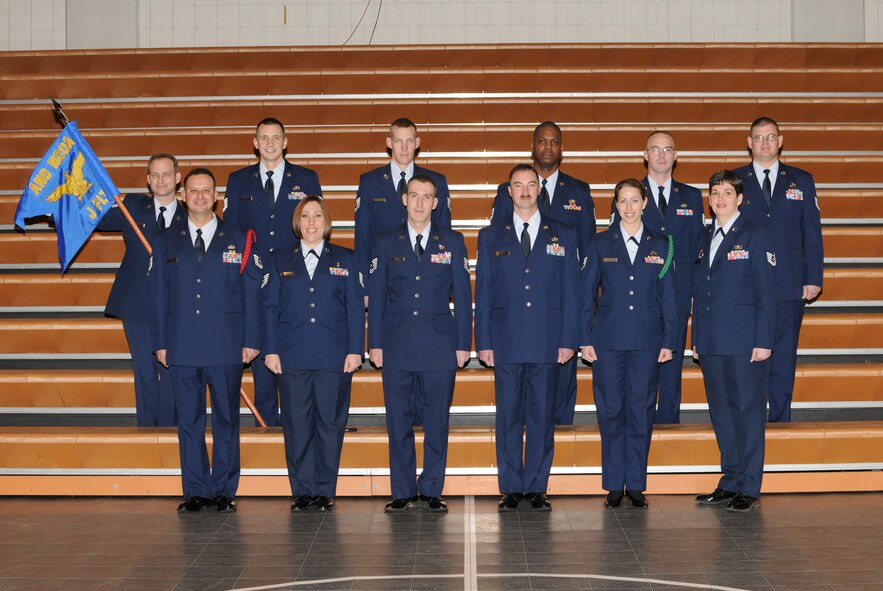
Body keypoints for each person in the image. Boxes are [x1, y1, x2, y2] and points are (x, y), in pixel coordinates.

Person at [151, 168, 263, 513]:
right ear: (183, 196)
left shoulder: (241, 237)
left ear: (216, 197)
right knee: (189, 421)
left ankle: (224, 489)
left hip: (226, 344)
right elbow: (159, 296)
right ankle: (196, 490)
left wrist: (252, 339)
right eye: (193, 191)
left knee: (227, 419)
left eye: (206, 191)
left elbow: (252, 294)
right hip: (182, 344)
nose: (200, 196)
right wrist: (160, 342)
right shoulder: (165, 240)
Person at [476, 164, 580, 512]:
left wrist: (569, 339)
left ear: (539, 189)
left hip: (547, 339)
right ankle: (510, 487)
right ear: (509, 191)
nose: (524, 191)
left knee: (541, 416)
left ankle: (536, 486)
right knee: (507, 416)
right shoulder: (491, 236)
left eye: (531, 184)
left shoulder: (563, 233)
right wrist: (484, 341)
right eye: (518, 185)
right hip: (505, 339)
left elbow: (571, 290)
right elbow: (484, 292)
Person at [368, 174, 471, 513]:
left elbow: (463, 296)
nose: (420, 202)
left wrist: (463, 344)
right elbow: (378, 295)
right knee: (398, 421)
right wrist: (375, 342)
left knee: (437, 421)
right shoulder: (386, 241)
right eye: (414, 195)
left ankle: (431, 489)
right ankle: (402, 490)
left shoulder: (452, 241)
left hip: (439, 345)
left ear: (436, 203)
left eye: (427, 197)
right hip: (396, 344)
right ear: (404, 199)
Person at [490, 121, 595, 426]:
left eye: (554, 142)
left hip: (558, 309)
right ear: (532, 146)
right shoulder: (507, 191)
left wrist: (580, 308)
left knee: (558, 391)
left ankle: (555, 438)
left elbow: (587, 254)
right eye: (542, 141)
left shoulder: (579, 191)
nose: (548, 147)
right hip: (518, 314)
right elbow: (499, 244)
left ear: (562, 148)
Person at [263, 196, 363, 512]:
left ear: (326, 221)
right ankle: (303, 489)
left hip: (334, 356)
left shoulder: (346, 258)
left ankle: (324, 489)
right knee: (297, 425)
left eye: (317, 215)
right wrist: (271, 350)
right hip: (291, 355)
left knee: (330, 424)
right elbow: (270, 308)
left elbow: (354, 307)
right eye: (305, 215)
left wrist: (355, 350)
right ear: (297, 221)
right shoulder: (279, 259)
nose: (311, 222)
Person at [582, 179, 678, 509]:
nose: (628, 207)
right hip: (607, 341)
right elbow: (586, 295)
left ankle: (635, 482)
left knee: (641, 411)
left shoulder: (663, 244)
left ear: (645, 202)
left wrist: (669, 340)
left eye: (634, 200)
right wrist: (584, 339)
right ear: (615, 204)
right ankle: (613, 483)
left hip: (648, 341)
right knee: (610, 411)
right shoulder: (599, 243)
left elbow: (670, 297)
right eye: (622, 201)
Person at [224, 117, 324, 427]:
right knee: (261, 356)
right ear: (255, 143)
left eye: (276, 137)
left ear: (285, 142)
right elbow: (230, 233)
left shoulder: (306, 179)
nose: (270, 143)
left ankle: (299, 428)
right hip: (253, 283)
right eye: (264, 138)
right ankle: (265, 429)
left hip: (295, 280)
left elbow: (317, 227)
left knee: (294, 357)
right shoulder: (238, 181)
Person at [692, 170, 777, 512]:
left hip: (746, 343)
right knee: (722, 414)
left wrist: (764, 340)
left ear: (740, 199)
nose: (720, 199)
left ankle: (750, 485)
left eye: (727, 192)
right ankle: (730, 480)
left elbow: (767, 293)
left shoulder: (756, 235)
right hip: (711, 342)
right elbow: (700, 293)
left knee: (748, 414)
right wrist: (697, 338)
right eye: (715, 193)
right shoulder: (704, 237)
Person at [609, 131, 704, 424]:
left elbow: (699, 250)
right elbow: (613, 245)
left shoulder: (692, 196)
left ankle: (668, 421)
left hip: (679, 292)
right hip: (640, 295)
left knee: (672, 360)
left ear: (676, 155)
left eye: (667, 150)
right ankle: (639, 420)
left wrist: (695, 292)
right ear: (645, 155)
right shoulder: (630, 196)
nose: (661, 155)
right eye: (655, 149)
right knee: (640, 362)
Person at [734, 117, 823, 423]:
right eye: (759, 137)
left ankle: (781, 420)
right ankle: (751, 421)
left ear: (780, 140)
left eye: (770, 137)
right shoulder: (734, 180)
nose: (765, 142)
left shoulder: (802, 180)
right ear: (749, 142)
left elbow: (812, 232)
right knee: (749, 354)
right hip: (745, 284)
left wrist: (813, 277)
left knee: (784, 355)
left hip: (789, 282)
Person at [97, 153, 185, 427]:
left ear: (177, 178)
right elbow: (95, 219)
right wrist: (60, 207)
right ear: (148, 179)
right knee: (144, 369)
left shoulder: (191, 213)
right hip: (136, 302)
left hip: (177, 305)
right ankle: (147, 430)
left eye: (166, 174)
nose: (161, 180)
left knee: (172, 368)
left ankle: (169, 429)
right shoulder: (133, 206)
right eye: (155, 175)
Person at [356, 117, 452, 305]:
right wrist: (364, 286)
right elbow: (362, 238)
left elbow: (444, 234)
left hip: (425, 276)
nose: (404, 147)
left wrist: (445, 283)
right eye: (399, 141)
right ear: (389, 142)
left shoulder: (436, 181)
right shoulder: (369, 182)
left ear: (417, 143)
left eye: (409, 141)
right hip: (383, 277)